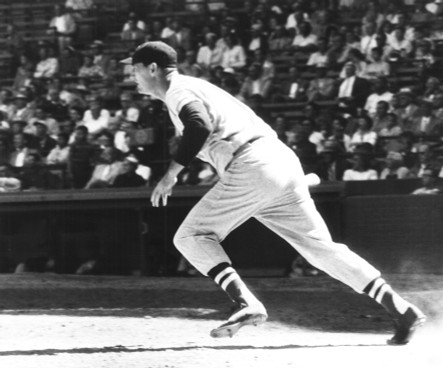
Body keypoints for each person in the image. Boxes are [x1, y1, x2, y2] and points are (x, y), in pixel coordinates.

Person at [120, 41, 425, 344]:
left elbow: (199, 125)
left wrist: (171, 174)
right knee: (321, 249)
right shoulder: (193, 87)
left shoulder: (178, 89)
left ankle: (244, 302)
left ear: (153, 68)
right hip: (278, 161)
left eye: (134, 68)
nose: (131, 75)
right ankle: (401, 309)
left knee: (190, 237)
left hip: (252, 163)